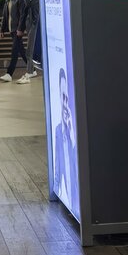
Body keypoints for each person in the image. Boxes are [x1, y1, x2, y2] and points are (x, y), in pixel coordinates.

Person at [53, 67, 78, 214]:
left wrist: (72, 136)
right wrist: (56, 189)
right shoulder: (58, 130)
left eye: (66, 98)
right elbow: (57, 167)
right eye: (62, 97)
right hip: (68, 198)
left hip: (78, 199)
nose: (64, 102)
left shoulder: (74, 131)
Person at [0, 0, 26, 83]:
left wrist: (20, 29)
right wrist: (2, 29)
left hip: (17, 30)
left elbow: (23, 15)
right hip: (11, 29)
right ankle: (32, 69)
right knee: (21, 51)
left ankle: (9, 73)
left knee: (14, 51)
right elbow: (5, 15)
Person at [17, 0, 40, 84]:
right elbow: (25, 11)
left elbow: (30, 7)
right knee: (30, 50)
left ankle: (30, 72)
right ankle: (31, 71)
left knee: (29, 51)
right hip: (30, 26)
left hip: (35, 27)